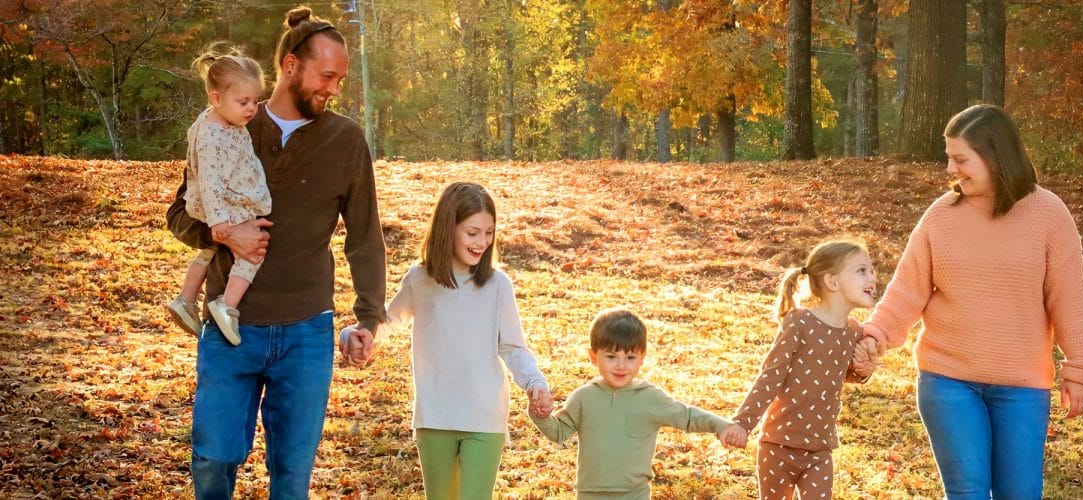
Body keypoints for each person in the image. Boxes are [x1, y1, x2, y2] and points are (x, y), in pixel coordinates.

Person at [165, 7, 387, 499]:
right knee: (212, 460)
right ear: (291, 65)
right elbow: (180, 215)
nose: (334, 88)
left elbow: (366, 238)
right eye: (326, 76)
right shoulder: (227, 125)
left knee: (291, 478)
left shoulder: (346, 141)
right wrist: (223, 235)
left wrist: (368, 319)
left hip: (306, 332)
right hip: (230, 326)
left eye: (341, 79)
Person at [859, 104, 1083, 499]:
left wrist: (1081, 369)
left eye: (960, 159)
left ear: (994, 156)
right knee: (967, 492)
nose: (950, 170)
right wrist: (874, 335)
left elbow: (1069, 300)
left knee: (1019, 493)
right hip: (948, 379)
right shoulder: (941, 215)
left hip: (1022, 387)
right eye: (948, 157)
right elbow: (906, 292)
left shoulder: (1049, 214)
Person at [368, 182, 553, 499]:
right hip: (435, 416)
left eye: (489, 232)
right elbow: (388, 322)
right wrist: (359, 334)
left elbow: (513, 347)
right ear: (447, 228)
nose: (482, 242)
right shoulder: (420, 279)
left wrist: (534, 381)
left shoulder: (498, 285)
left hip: (484, 416)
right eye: (472, 232)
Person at [720, 240, 878, 500]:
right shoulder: (799, 322)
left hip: (820, 450)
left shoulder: (855, 331)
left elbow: (848, 373)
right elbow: (770, 376)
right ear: (832, 282)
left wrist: (865, 366)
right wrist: (742, 424)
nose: (872, 277)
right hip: (778, 445)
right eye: (862, 270)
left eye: (872, 270)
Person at [528, 306, 738, 499]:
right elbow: (558, 432)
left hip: (634, 494)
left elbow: (687, 416)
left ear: (642, 357)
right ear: (593, 357)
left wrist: (721, 425)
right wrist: (540, 415)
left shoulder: (650, 397)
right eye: (611, 356)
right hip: (589, 493)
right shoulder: (584, 397)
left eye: (630, 357)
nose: (621, 366)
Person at [166, 44, 271, 346]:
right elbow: (211, 179)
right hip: (219, 206)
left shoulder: (214, 119)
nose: (251, 108)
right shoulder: (216, 135)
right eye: (243, 101)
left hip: (207, 205)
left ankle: (186, 299)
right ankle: (227, 305)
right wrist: (220, 221)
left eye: (255, 100)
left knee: (208, 251)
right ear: (217, 98)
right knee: (253, 251)